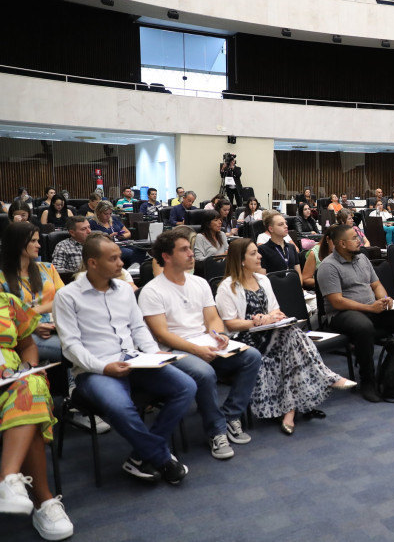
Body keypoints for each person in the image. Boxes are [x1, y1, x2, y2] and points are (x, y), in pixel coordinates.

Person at [54, 233, 196, 484]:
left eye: (120, 257)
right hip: (94, 370)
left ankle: (139, 456)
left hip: (134, 360)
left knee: (186, 386)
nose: (121, 263)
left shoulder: (124, 290)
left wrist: (153, 353)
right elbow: (71, 346)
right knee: (120, 406)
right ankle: (161, 457)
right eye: (113, 259)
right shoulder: (67, 296)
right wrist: (104, 367)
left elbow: (138, 327)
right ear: (92, 263)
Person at [139, 231, 262, 459]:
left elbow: (212, 317)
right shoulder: (152, 291)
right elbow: (162, 335)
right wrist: (197, 350)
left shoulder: (200, 282)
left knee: (251, 356)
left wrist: (217, 334)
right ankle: (216, 430)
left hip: (205, 343)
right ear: (166, 256)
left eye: (190, 248)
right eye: (184, 250)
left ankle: (231, 414)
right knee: (204, 372)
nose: (191, 253)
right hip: (174, 351)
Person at [215, 239, 355, 434]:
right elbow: (230, 324)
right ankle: (326, 377)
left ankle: (289, 411)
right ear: (241, 260)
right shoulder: (226, 287)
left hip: (271, 333)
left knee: (290, 335)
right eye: (254, 253)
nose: (260, 256)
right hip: (244, 338)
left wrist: (276, 317)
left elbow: (275, 310)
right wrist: (258, 322)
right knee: (291, 336)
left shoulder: (263, 280)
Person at [317, 225, 394, 403]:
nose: (359, 240)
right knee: (364, 327)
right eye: (354, 238)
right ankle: (368, 382)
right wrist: (371, 308)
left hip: (371, 308)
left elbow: (376, 285)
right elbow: (337, 301)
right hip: (342, 314)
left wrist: (385, 298)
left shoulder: (362, 258)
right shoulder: (328, 266)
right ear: (342, 243)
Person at [0, 292, 74, 541]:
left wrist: (27, 370)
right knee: (29, 406)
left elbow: (28, 345)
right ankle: (42, 500)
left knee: (30, 389)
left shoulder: (8, 301)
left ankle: (9, 479)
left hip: (8, 381)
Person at [0, 222, 65, 363]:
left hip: (60, 326)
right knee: (70, 349)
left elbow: (65, 300)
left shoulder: (48, 268)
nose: (39, 245)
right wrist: (33, 325)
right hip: (26, 335)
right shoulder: (1, 278)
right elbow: (4, 319)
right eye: (33, 241)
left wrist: (37, 310)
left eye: (38, 241)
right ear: (17, 243)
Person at [90, 201, 145, 267]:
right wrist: (109, 237)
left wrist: (122, 236)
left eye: (110, 213)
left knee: (141, 249)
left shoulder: (114, 219)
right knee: (130, 253)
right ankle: (132, 269)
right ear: (98, 212)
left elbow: (128, 233)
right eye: (105, 214)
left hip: (122, 243)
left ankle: (135, 269)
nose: (108, 216)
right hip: (109, 247)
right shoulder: (92, 223)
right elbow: (92, 240)